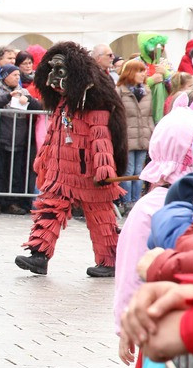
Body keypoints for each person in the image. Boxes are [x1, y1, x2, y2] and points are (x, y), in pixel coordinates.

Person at [15, 42, 127, 278]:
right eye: (51, 72)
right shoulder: (63, 104)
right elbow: (54, 135)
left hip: (88, 173)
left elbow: (101, 140)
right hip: (61, 173)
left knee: (101, 218)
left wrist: (104, 170)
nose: (53, 79)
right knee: (50, 210)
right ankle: (38, 256)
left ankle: (110, 260)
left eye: (60, 72)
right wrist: (44, 159)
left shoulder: (94, 104)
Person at [111, 98, 193, 364]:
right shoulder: (152, 205)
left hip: (187, 323)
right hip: (154, 323)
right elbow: (131, 267)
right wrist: (125, 322)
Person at [0, 64, 42, 214]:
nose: (17, 77)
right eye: (14, 75)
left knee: (15, 173)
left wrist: (27, 99)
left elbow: (39, 106)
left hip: (19, 139)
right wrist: (8, 97)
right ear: (5, 76)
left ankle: (12, 202)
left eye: (18, 75)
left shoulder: (24, 91)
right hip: (0, 138)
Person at [116, 59, 153, 211]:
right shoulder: (120, 91)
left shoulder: (147, 90)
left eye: (143, 70)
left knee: (140, 171)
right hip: (127, 136)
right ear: (130, 72)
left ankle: (136, 202)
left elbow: (149, 115)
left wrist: (151, 131)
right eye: (139, 71)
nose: (143, 74)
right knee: (128, 170)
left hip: (143, 135)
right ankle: (126, 201)